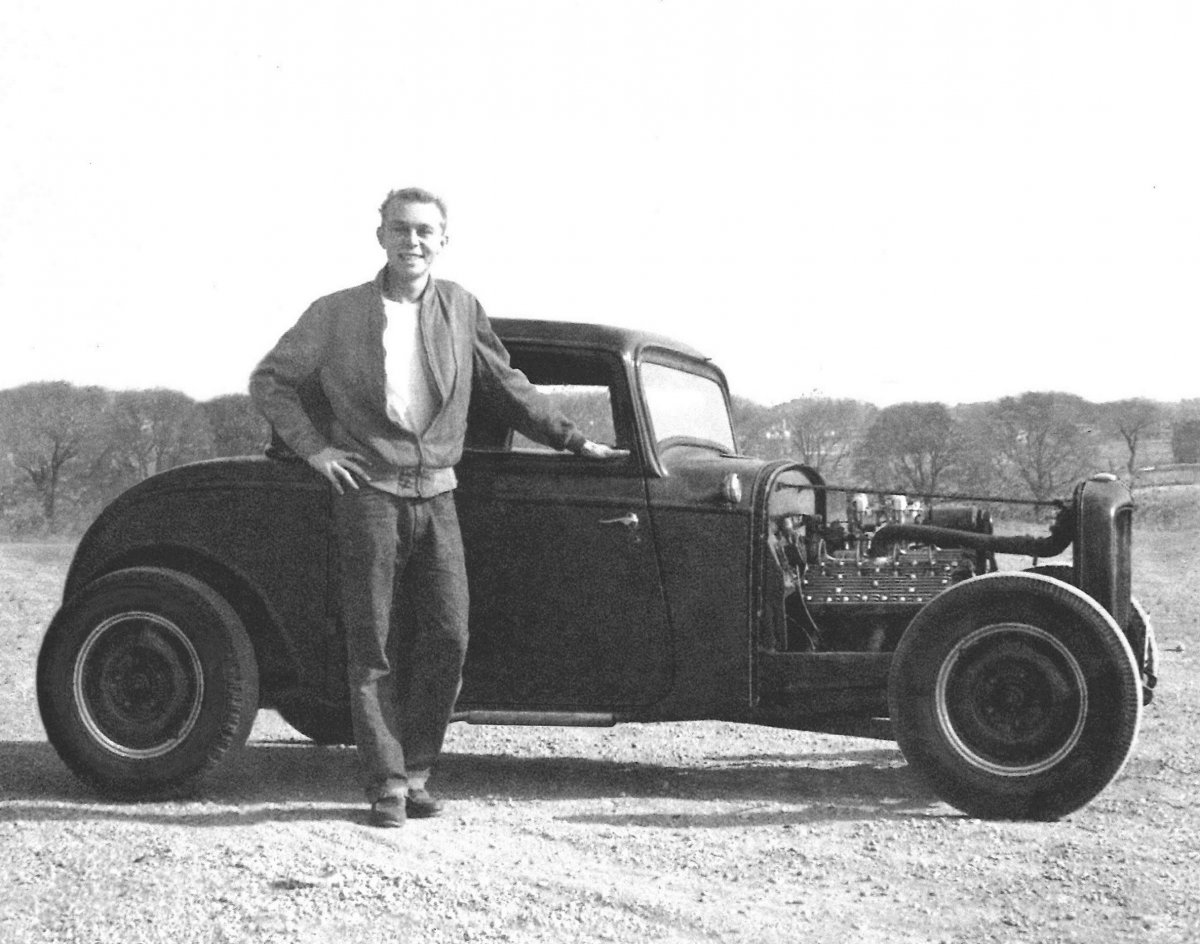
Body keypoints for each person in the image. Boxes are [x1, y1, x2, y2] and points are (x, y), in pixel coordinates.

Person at [250, 187, 621, 827]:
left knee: (449, 635)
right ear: (381, 237)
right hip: (367, 494)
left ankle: (418, 769)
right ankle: (386, 785)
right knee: (373, 645)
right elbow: (271, 381)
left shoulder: (461, 307)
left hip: (439, 493)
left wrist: (572, 438)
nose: (412, 242)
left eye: (425, 231)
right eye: (400, 229)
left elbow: (508, 388)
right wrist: (314, 449)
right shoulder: (335, 313)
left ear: (443, 240)